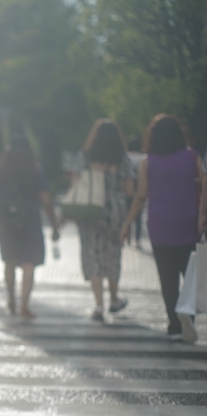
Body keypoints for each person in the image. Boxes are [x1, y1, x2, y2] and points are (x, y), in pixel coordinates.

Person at [122, 114, 206, 342]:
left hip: (160, 224)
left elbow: (140, 196)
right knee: (190, 275)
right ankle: (187, 315)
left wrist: (126, 224)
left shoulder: (147, 162)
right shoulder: (192, 156)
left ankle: (175, 326)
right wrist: (203, 213)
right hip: (189, 222)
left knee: (167, 279)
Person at [0, 137, 60, 319]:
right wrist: (54, 225)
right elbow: (46, 201)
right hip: (30, 221)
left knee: (9, 262)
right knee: (29, 264)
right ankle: (24, 304)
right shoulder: (35, 171)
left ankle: (10, 300)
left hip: (5, 222)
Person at [70, 119, 134, 322]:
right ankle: (114, 299)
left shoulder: (85, 156)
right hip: (115, 212)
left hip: (89, 210)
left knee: (92, 255)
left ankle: (98, 305)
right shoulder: (121, 159)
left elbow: (75, 182)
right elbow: (130, 189)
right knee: (112, 255)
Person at [126, 136, 144, 247]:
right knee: (138, 217)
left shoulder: (125, 157)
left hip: (126, 190)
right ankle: (137, 240)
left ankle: (127, 237)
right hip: (138, 189)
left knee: (127, 214)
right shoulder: (142, 158)